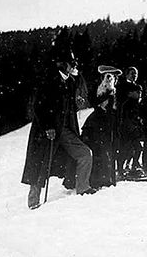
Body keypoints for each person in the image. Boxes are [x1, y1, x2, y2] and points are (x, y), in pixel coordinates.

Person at [21, 47, 96, 209]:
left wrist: (78, 101)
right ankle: (33, 203)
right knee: (39, 166)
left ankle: (83, 187)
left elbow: (71, 101)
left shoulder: (69, 81)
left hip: (65, 130)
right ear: (62, 64)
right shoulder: (48, 80)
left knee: (85, 153)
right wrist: (48, 127)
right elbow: (39, 106)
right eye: (72, 63)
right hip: (47, 132)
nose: (74, 65)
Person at [81, 65, 122, 189]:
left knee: (109, 150)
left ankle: (108, 178)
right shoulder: (98, 89)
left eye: (112, 77)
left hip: (110, 123)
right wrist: (107, 95)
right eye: (107, 76)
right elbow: (93, 101)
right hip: (97, 124)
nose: (110, 79)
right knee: (98, 151)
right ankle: (96, 180)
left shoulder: (115, 91)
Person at [116, 67, 143, 176]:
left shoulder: (137, 87)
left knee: (137, 147)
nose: (134, 75)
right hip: (125, 120)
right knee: (124, 147)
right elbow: (121, 100)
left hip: (135, 120)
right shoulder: (121, 86)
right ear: (127, 74)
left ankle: (133, 166)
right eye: (132, 73)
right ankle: (120, 169)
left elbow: (138, 101)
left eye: (136, 74)